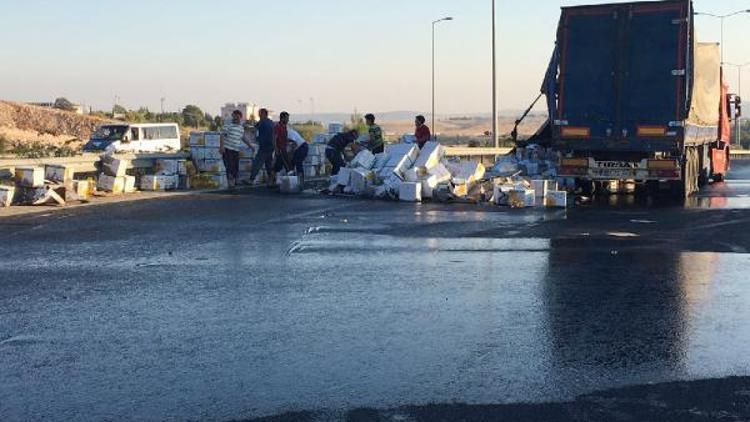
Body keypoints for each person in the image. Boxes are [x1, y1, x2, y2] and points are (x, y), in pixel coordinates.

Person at [220, 110, 247, 188]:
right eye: (234, 116)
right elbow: (222, 135)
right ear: (233, 117)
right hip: (228, 149)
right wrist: (221, 147)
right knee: (229, 166)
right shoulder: (228, 125)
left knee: (235, 167)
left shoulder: (241, 128)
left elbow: (243, 138)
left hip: (236, 150)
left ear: (240, 118)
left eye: (238, 117)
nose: (236, 118)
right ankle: (230, 183)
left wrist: (250, 146)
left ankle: (234, 181)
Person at [249, 108, 275, 186]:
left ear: (263, 114)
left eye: (259, 113)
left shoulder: (262, 122)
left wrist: (245, 127)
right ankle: (272, 180)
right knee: (268, 164)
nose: (258, 115)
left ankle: (251, 179)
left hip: (264, 147)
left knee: (257, 163)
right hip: (271, 146)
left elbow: (253, 129)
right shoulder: (271, 122)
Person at [273, 112, 292, 176]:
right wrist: (276, 150)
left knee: (277, 167)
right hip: (280, 150)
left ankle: (273, 181)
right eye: (287, 118)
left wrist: (291, 141)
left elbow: (284, 138)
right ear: (282, 118)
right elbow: (274, 139)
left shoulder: (284, 127)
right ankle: (291, 182)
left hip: (284, 149)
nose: (288, 120)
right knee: (288, 166)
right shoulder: (277, 127)